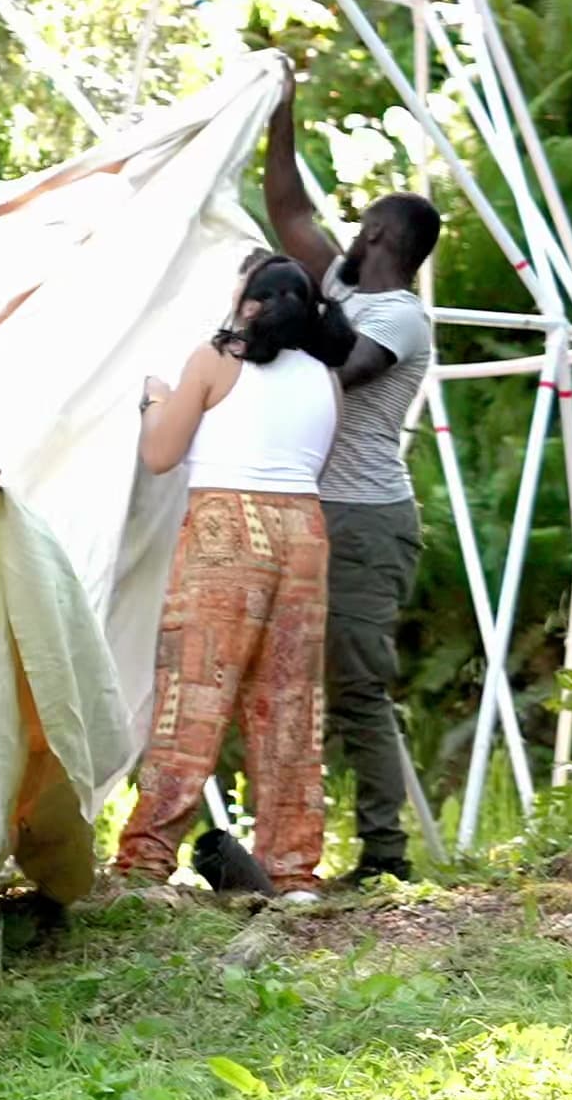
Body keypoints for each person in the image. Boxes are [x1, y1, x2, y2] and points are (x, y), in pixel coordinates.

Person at [116, 256, 346, 898]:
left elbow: (159, 454)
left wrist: (156, 399)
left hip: (226, 528)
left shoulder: (215, 361)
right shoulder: (326, 377)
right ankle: (292, 867)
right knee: (290, 700)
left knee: (195, 693)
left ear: (249, 306)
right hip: (304, 531)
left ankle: (147, 858)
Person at [258, 83, 442, 886]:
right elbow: (288, 207)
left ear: (376, 236)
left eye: (360, 224)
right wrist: (281, 109)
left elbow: (345, 370)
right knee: (288, 678)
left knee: (359, 686)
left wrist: (286, 313)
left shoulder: (397, 316)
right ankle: (291, 846)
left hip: (365, 520)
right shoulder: (340, 288)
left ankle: (383, 856)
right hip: (313, 509)